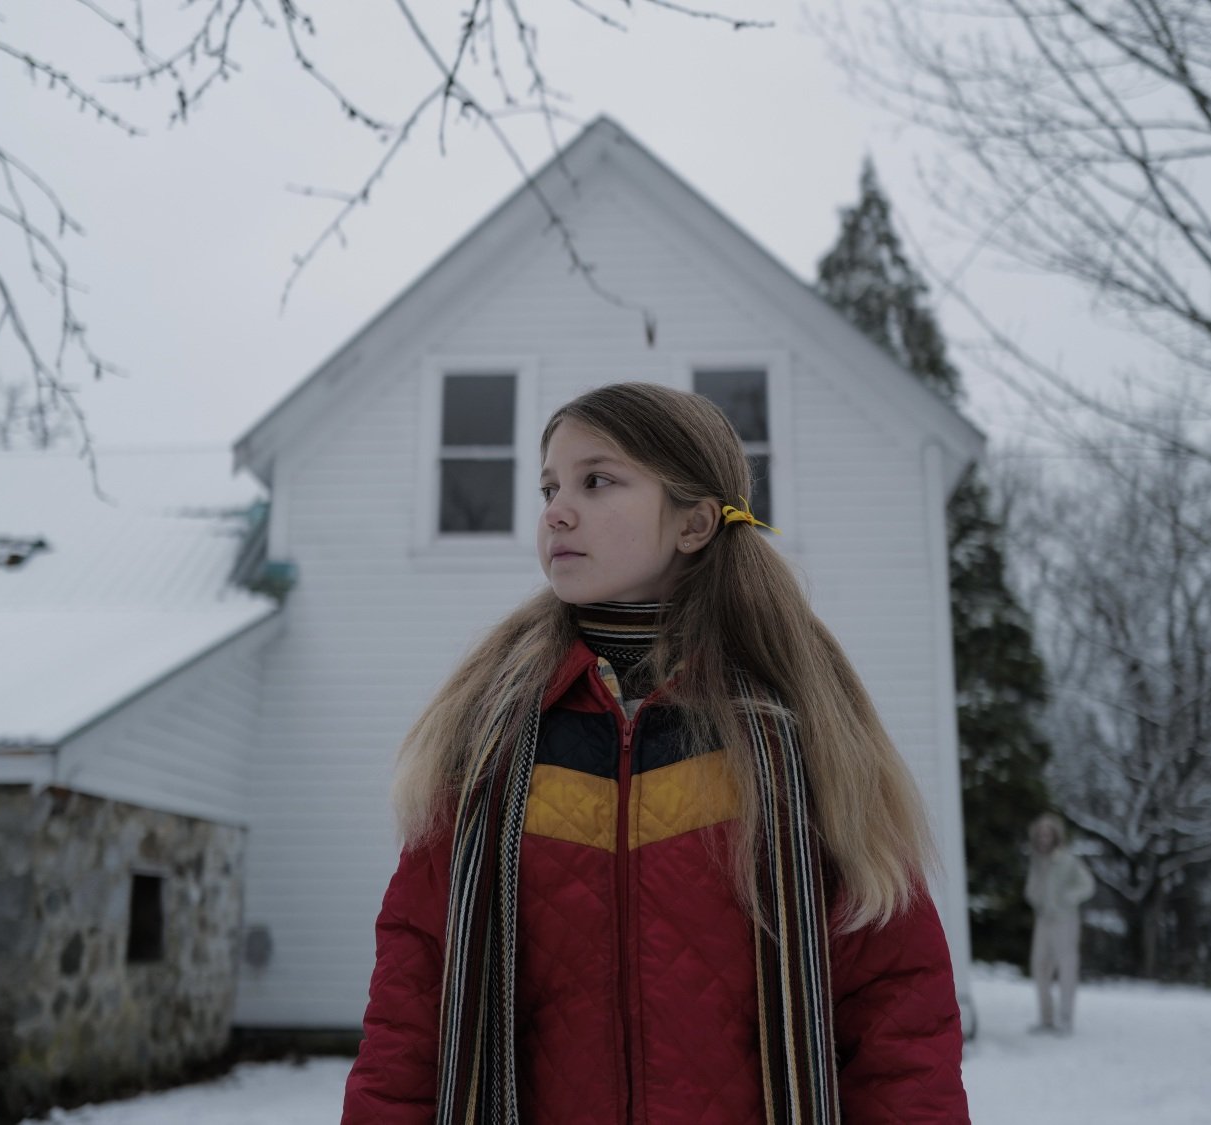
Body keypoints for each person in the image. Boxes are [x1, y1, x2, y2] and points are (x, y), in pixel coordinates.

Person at [341, 383, 970, 1124]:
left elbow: (897, 1007)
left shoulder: (798, 733)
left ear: (695, 521)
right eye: (549, 486)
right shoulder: (490, 740)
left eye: (596, 481)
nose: (556, 511)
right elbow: (412, 1000)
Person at [1024, 811, 1094, 1035]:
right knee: (1039, 966)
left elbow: (1087, 885)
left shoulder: (1067, 860)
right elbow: (1031, 889)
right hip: (1044, 920)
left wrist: (1067, 899)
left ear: (1055, 836)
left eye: (1048, 834)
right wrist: (1035, 898)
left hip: (1065, 921)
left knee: (1066, 969)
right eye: (1040, 834)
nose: (1044, 838)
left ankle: (1065, 1019)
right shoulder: (1036, 860)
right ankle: (1046, 1019)